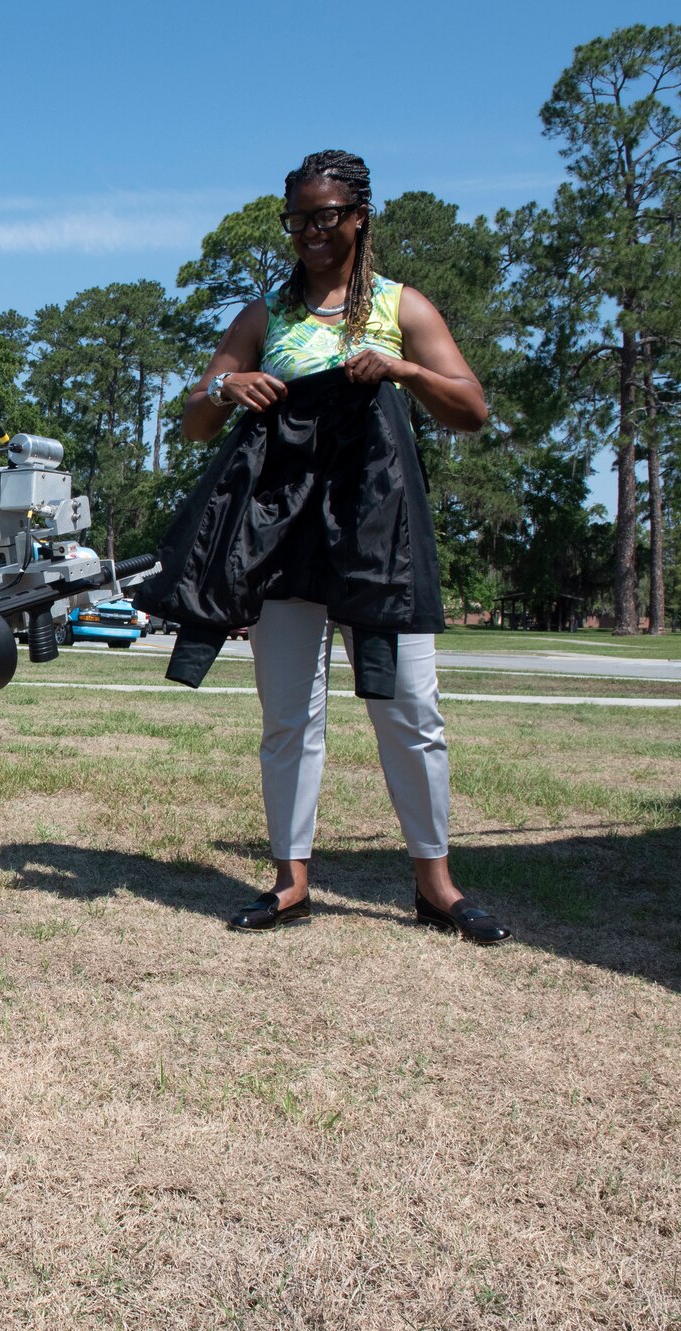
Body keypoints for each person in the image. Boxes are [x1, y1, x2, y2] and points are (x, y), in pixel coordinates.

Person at [180, 149, 510, 945]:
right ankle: (291, 879)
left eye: (326, 216)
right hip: (285, 534)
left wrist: (400, 368)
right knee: (289, 714)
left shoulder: (403, 306)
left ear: (360, 216)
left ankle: (436, 883)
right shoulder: (266, 317)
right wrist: (226, 387)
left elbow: (472, 408)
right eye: (297, 219)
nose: (310, 233)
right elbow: (195, 417)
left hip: (375, 532)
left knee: (411, 708)